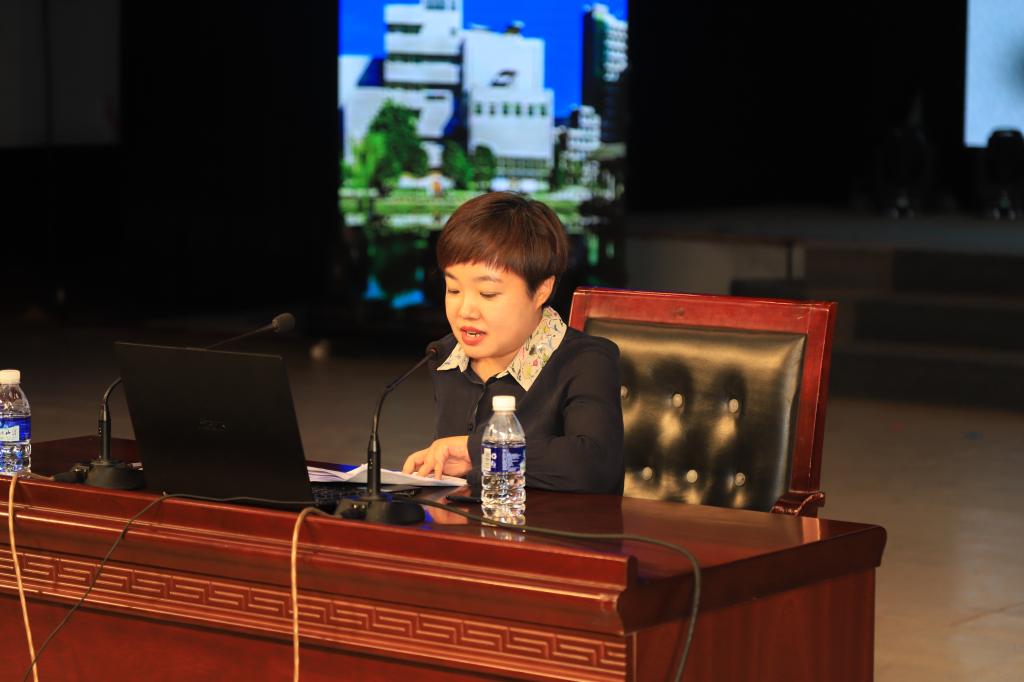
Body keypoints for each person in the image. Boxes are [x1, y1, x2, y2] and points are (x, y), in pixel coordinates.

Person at [401, 192, 624, 494]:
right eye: (453, 290)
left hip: (553, 525)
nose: (465, 310)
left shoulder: (586, 360)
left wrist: (479, 451)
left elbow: (595, 465)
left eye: (488, 294)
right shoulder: (446, 356)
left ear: (542, 290)